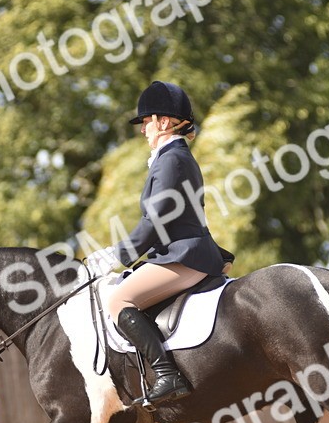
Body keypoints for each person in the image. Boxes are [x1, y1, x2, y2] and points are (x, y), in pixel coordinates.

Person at [86, 81, 232, 406]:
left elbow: (157, 218)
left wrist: (118, 254)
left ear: (163, 122)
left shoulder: (172, 160)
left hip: (183, 257)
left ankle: (168, 375)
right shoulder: (173, 158)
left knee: (118, 300)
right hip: (181, 252)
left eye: (146, 122)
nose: (143, 131)